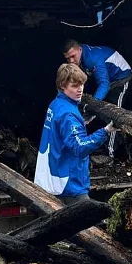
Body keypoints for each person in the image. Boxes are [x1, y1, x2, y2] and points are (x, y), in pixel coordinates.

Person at [34, 64, 117, 205]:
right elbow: (79, 147)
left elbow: (61, 132)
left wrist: (82, 121)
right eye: (74, 86)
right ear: (62, 85)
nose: (80, 90)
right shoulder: (68, 114)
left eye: (82, 85)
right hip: (68, 185)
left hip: (52, 179)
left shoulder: (56, 105)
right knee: (86, 224)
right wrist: (106, 131)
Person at [63, 40, 132, 158]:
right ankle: (90, 143)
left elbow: (104, 84)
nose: (71, 61)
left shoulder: (93, 59)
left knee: (115, 114)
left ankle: (110, 153)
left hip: (120, 78)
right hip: (105, 79)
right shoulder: (81, 57)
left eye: (73, 56)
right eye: (68, 58)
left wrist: (93, 106)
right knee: (93, 109)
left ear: (80, 50)